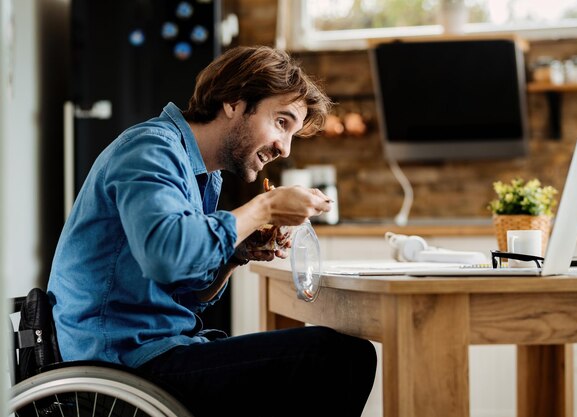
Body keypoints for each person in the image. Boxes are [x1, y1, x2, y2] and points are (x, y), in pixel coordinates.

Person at [47, 45, 377, 417]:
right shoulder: (150, 149)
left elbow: (187, 291)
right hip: (119, 365)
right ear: (234, 102)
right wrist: (263, 207)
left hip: (155, 351)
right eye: (281, 123)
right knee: (334, 358)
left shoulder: (204, 176)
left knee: (325, 361)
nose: (284, 149)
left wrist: (237, 254)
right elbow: (167, 257)